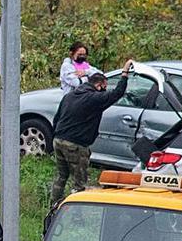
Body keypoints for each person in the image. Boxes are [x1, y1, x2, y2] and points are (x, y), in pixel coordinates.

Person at [49, 60, 135, 207]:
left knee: (61, 176)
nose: (105, 89)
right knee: (79, 182)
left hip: (58, 140)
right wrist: (125, 73)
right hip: (76, 145)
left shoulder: (69, 96)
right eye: (104, 87)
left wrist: (57, 137)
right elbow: (117, 93)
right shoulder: (94, 98)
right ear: (99, 85)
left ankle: (53, 206)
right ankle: (76, 214)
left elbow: (57, 119)